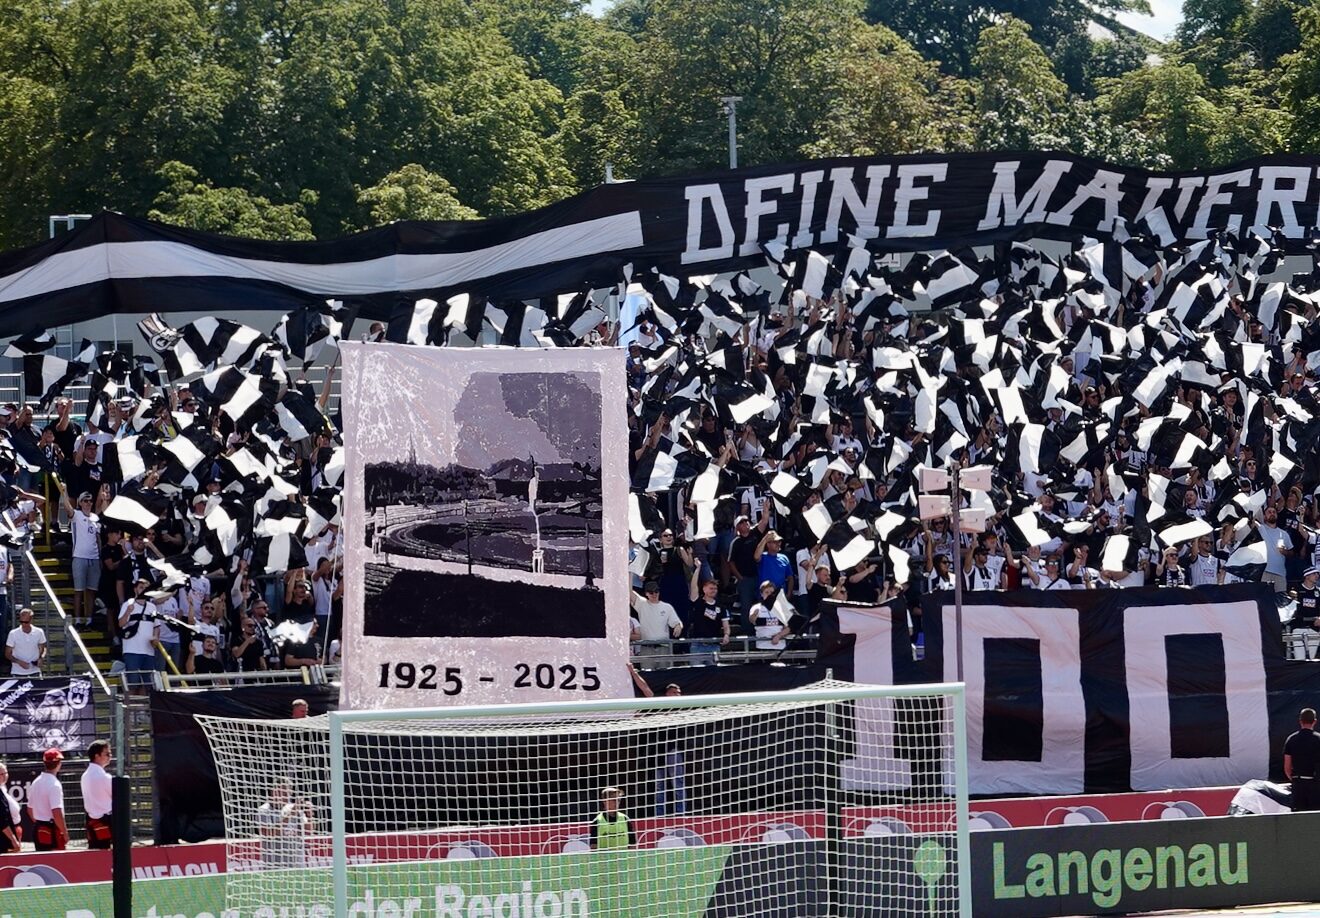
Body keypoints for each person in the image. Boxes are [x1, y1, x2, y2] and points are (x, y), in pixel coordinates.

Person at [256, 777, 312, 867]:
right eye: (283, 792)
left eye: (288, 793)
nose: (286, 796)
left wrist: (309, 815)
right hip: (275, 864)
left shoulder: (293, 807)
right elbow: (269, 833)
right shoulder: (264, 810)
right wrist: (290, 815)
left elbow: (309, 830)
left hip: (296, 862)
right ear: (273, 791)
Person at [28, 748, 66, 851]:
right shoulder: (54, 784)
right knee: (57, 862)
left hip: (39, 827)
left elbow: (29, 809)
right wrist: (64, 832)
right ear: (59, 764)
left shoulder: (36, 782)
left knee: (42, 860)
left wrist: (40, 820)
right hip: (51, 828)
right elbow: (56, 811)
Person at [1283, 708, 1320, 812]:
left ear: (1300, 721)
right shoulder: (1319, 739)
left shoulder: (1291, 739)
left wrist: (1294, 779)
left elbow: (1287, 766)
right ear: (1315, 721)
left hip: (1298, 784)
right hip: (1316, 785)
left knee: (1298, 819)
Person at [81, 740, 114, 849]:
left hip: (91, 821)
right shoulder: (104, 777)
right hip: (105, 820)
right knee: (108, 854)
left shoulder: (85, 776)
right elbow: (116, 797)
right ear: (97, 756)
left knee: (95, 853)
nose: (110, 756)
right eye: (107, 754)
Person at [5, 607, 46, 677]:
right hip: (17, 672)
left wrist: (41, 658)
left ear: (31, 620)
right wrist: (19, 662)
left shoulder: (39, 632)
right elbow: (7, 654)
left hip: (35, 671)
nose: (23, 624)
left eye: (26, 622)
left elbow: (43, 648)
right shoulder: (13, 633)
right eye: (21, 622)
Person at [0, 761, 18, 853]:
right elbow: (1, 819)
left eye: (5, 773)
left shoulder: (2, 788)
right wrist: (13, 839)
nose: (4, 776)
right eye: (1, 774)